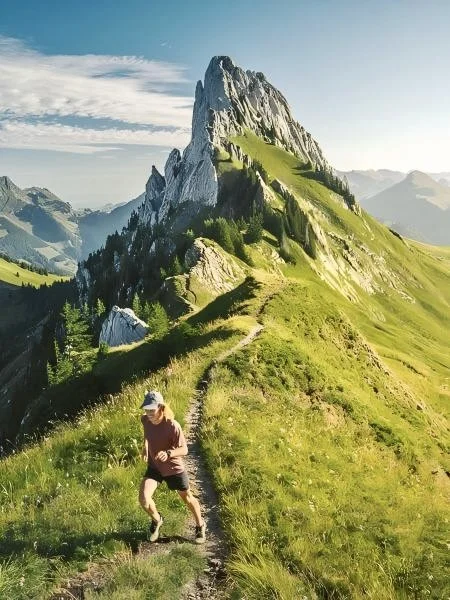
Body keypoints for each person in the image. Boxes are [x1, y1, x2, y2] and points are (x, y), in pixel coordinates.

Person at [138, 389, 206, 544]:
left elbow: (184, 449)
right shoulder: (145, 420)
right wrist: (145, 448)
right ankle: (157, 519)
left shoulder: (172, 426)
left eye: (152, 410)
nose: (148, 413)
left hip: (173, 469)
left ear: (161, 408)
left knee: (187, 498)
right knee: (143, 499)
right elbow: (147, 434)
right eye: (146, 409)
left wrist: (168, 453)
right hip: (155, 467)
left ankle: (200, 525)